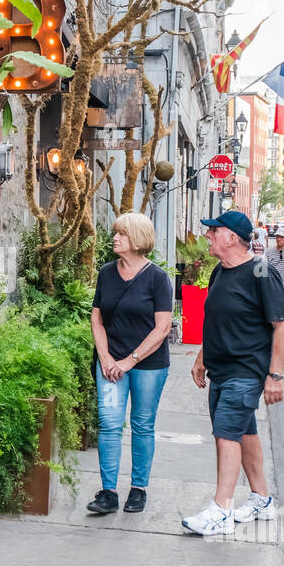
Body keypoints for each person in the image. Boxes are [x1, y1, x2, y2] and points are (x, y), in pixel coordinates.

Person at [182, 210, 284, 537]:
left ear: (230, 237)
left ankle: (221, 510)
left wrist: (275, 376)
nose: (207, 236)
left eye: (213, 232)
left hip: (247, 370)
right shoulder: (220, 271)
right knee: (244, 433)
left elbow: (282, 324)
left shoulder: (260, 272)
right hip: (221, 368)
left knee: (226, 433)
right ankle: (261, 498)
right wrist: (202, 357)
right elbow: (216, 319)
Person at [88, 213, 173, 516]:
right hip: (111, 364)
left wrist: (128, 361)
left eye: (121, 234)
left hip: (148, 364)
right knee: (109, 425)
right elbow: (96, 318)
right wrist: (106, 358)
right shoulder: (106, 273)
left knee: (141, 424)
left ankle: (138, 489)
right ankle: (108, 493)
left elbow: (162, 327)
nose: (115, 238)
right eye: (115, 233)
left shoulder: (158, 278)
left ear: (137, 239)